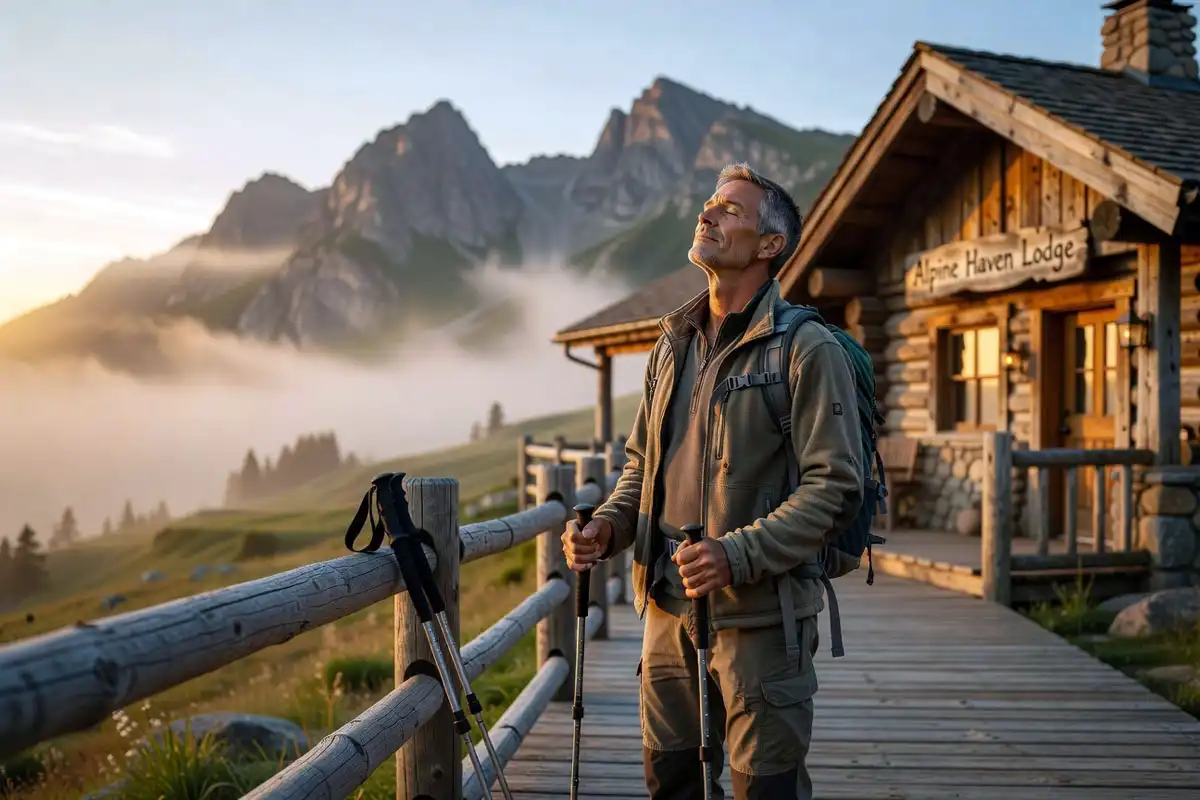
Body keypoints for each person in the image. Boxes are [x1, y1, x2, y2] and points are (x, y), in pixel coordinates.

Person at [561, 162, 865, 800]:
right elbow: (641, 466)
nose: (708, 213)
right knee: (670, 782)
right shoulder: (670, 344)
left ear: (769, 245)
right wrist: (610, 527)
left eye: (730, 209)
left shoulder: (807, 349)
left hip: (762, 622)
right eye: (709, 203)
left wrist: (736, 554)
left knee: (766, 789)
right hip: (666, 609)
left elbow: (833, 487)